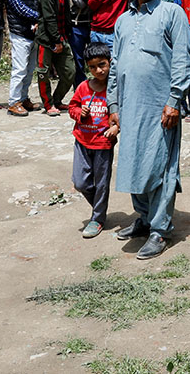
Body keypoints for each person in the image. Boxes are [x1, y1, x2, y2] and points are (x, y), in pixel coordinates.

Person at [107, 0, 190, 261]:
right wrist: (113, 104)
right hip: (129, 106)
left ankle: (160, 229)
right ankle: (143, 218)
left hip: (161, 107)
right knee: (133, 161)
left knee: (160, 165)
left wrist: (174, 101)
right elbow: (115, 65)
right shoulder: (123, 20)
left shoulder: (172, 13)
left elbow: (183, 59)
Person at [69, 41, 120, 239]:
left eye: (102, 65)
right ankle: (100, 206)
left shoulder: (114, 90)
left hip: (103, 144)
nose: (98, 70)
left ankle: (97, 218)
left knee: (101, 183)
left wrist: (116, 127)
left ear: (110, 63)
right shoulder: (83, 87)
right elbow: (72, 107)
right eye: (92, 67)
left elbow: (121, 112)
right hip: (82, 140)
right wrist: (78, 112)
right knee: (80, 182)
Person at [36, 0, 76, 115]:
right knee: (43, 73)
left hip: (62, 35)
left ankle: (57, 100)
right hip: (47, 39)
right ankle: (48, 104)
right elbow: (49, 17)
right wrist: (56, 41)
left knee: (69, 72)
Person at [4, 0, 41, 117]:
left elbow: (36, 3)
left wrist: (39, 20)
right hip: (20, 33)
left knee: (29, 69)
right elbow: (19, 8)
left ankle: (24, 98)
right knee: (19, 69)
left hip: (32, 32)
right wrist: (39, 17)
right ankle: (13, 102)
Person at [67, 0, 95, 84]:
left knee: (97, 58)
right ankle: (80, 91)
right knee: (78, 61)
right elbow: (80, 3)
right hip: (78, 26)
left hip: (95, 25)